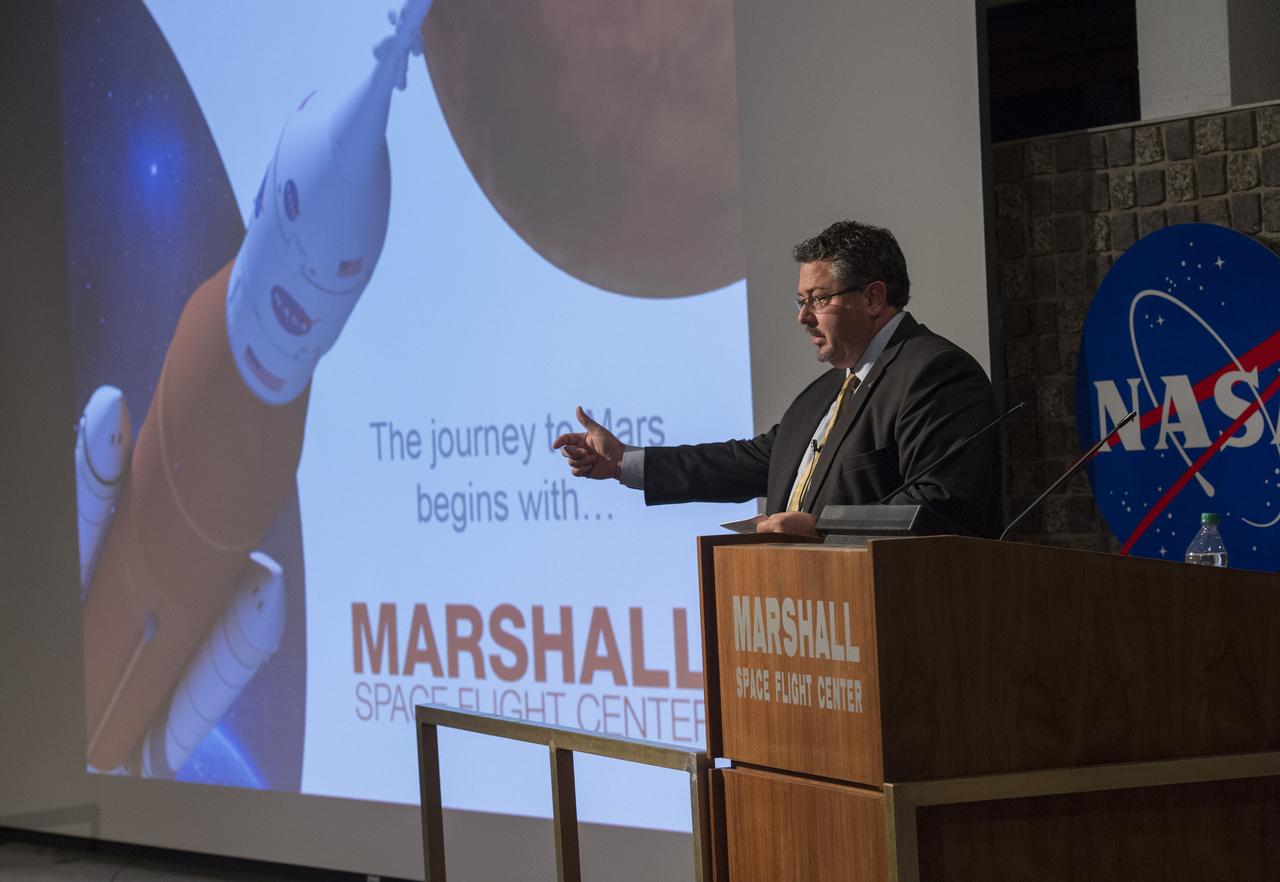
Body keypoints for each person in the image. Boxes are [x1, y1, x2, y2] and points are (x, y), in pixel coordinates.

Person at [553, 220, 1001, 538]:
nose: (803, 317)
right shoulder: (825, 393)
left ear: (874, 297)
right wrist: (623, 463)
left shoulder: (933, 374)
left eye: (818, 299)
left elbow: (940, 506)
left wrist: (819, 527)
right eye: (799, 301)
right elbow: (748, 463)